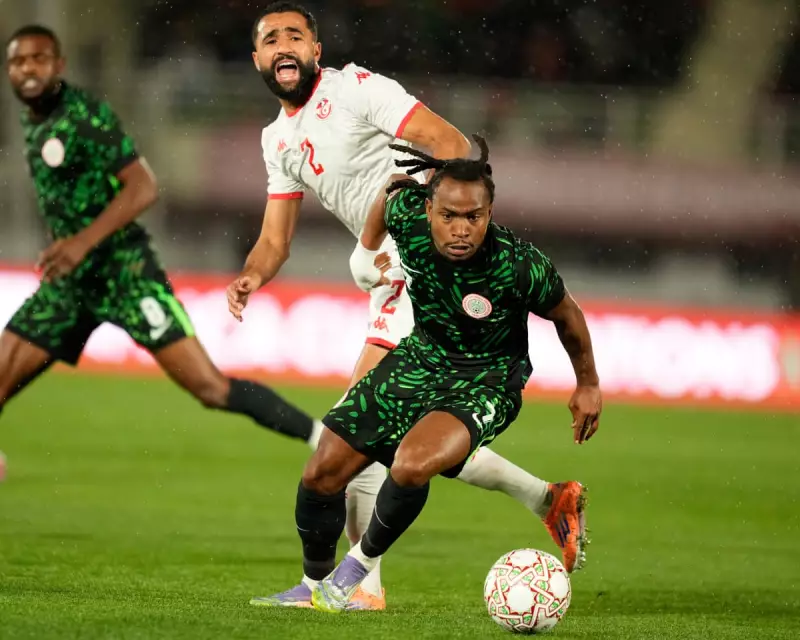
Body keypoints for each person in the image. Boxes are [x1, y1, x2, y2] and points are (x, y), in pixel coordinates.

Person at [231, 2, 592, 611]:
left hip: (417, 266)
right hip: (384, 270)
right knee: (388, 432)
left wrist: (413, 236)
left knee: (360, 426)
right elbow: (274, 240)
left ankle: (359, 587)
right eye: (271, 39)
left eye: (295, 34)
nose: (283, 45)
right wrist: (250, 275)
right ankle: (545, 498)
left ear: (317, 49)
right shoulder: (278, 139)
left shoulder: (356, 88)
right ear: (257, 58)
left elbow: (450, 145)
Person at [304, 136, 601, 613]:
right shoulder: (408, 217)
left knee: (411, 464)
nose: (461, 229)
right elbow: (392, 188)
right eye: (448, 216)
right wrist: (364, 250)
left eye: (474, 217)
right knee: (323, 469)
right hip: (420, 360)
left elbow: (568, 315)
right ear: (428, 210)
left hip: (486, 381)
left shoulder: (518, 264)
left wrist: (587, 383)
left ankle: (357, 573)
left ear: (489, 213)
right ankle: (312, 588)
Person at [0, 26, 324, 454]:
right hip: (72, 283)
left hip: (126, 275)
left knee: (210, 387)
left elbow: (143, 187)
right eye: (18, 61)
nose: (28, 69)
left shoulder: (83, 116)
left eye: (38, 59)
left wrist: (80, 242)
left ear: (59, 65)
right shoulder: (33, 118)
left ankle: (322, 437)